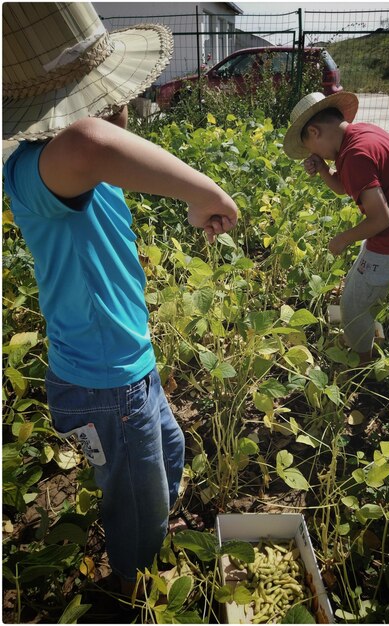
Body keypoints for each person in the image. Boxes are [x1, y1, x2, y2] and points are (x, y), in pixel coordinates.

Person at [3, 3, 238, 597]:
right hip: (102, 384)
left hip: (129, 368)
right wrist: (205, 190)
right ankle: (136, 581)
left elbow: (100, 151)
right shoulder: (35, 172)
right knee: (135, 496)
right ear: (86, 103)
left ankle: (154, 535)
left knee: (168, 452)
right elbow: (90, 142)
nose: (125, 104)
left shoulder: (80, 175)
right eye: (115, 96)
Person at [283, 92, 389, 364]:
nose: (316, 156)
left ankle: (362, 363)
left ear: (314, 131)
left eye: (312, 149)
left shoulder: (355, 156)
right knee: (360, 284)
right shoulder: (361, 135)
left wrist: (342, 239)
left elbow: (380, 220)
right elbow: (346, 186)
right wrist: (323, 170)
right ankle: (367, 332)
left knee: (351, 306)